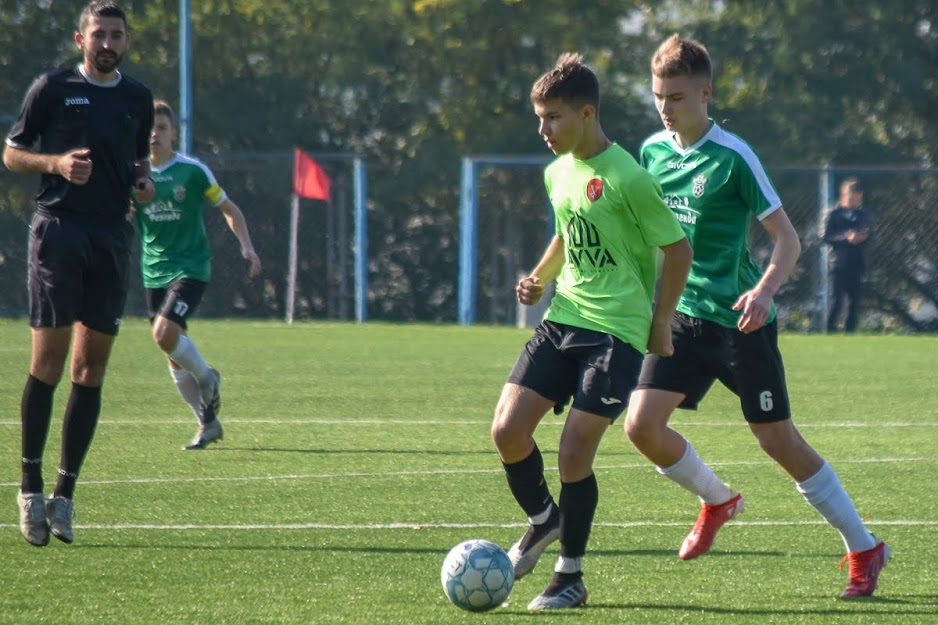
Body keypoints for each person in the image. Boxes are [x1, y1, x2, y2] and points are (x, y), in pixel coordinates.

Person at [623, 34, 889, 599]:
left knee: (778, 442)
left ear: (705, 93)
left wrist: (765, 292)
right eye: (657, 96)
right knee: (641, 427)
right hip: (685, 318)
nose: (665, 107)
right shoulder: (652, 152)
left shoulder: (734, 156)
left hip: (743, 321)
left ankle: (864, 546)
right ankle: (718, 499)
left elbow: (787, 239)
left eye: (675, 96)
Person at [491, 53, 692, 610]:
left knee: (575, 448)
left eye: (553, 118)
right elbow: (566, 232)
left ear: (586, 113)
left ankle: (570, 576)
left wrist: (659, 324)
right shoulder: (557, 172)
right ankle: (544, 519)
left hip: (617, 334)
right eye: (539, 118)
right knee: (507, 431)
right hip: (563, 320)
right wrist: (538, 277)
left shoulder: (628, 176)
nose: (544, 130)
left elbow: (678, 250)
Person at [3, 1, 154, 546]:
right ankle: (29, 487)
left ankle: (65, 495)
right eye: (99, 35)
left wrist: (144, 183)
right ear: (80, 38)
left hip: (112, 236)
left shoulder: (137, 98)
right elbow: (13, 153)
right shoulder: (51, 88)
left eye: (117, 35)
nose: (108, 43)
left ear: (127, 42)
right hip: (59, 230)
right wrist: (56, 164)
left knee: (90, 371)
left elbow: (139, 162)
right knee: (47, 363)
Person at [135, 100, 261, 450]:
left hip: (191, 267)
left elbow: (229, 208)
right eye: (148, 129)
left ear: (174, 133)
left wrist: (247, 247)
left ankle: (208, 379)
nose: (154, 135)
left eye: (161, 128)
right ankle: (208, 424)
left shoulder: (192, 171)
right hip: (153, 272)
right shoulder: (135, 176)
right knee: (172, 353)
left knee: (163, 334)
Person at [822, 177, 872, 333]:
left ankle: (850, 333)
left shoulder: (863, 214)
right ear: (844, 195)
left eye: (858, 199)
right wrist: (846, 238)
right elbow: (825, 236)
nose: (854, 202)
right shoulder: (832, 213)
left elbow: (871, 234)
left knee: (854, 302)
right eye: (851, 198)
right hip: (838, 263)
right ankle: (828, 332)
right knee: (836, 300)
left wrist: (863, 237)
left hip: (856, 263)